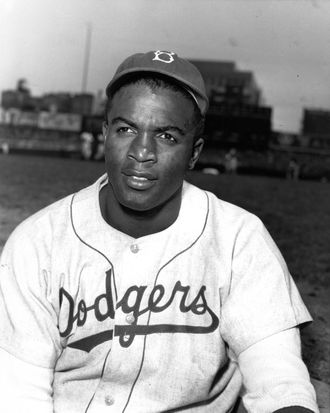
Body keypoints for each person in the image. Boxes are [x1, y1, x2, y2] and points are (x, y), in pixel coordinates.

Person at [0, 50, 319, 413]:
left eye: (166, 136)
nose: (141, 152)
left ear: (194, 152)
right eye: (125, 129)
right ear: (104, 134)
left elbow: (279, 381)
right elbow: (19, 395)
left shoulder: (238, 238)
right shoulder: (38, 242)